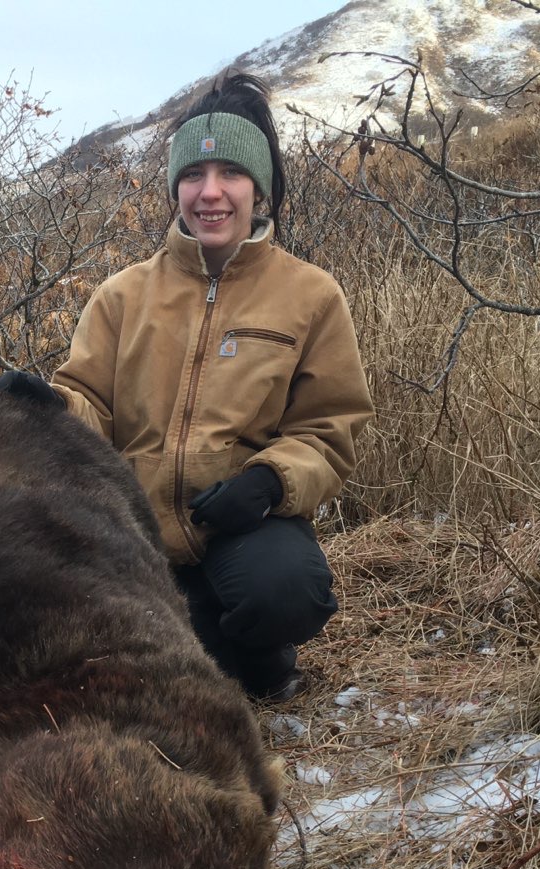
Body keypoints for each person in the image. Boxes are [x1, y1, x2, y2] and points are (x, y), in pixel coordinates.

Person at [51, 73, 372, 701]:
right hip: (134, 533)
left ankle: (254, 647)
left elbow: (329, 429)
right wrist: (47, 406)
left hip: (243, 529)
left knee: (284, 591)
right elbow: (86, 405)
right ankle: (195, 626)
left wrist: (266, 482)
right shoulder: (121, 297)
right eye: (194, 175)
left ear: (261, 189)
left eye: (231, 173)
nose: (211, 192)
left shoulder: (311, 296)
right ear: (176, 190)